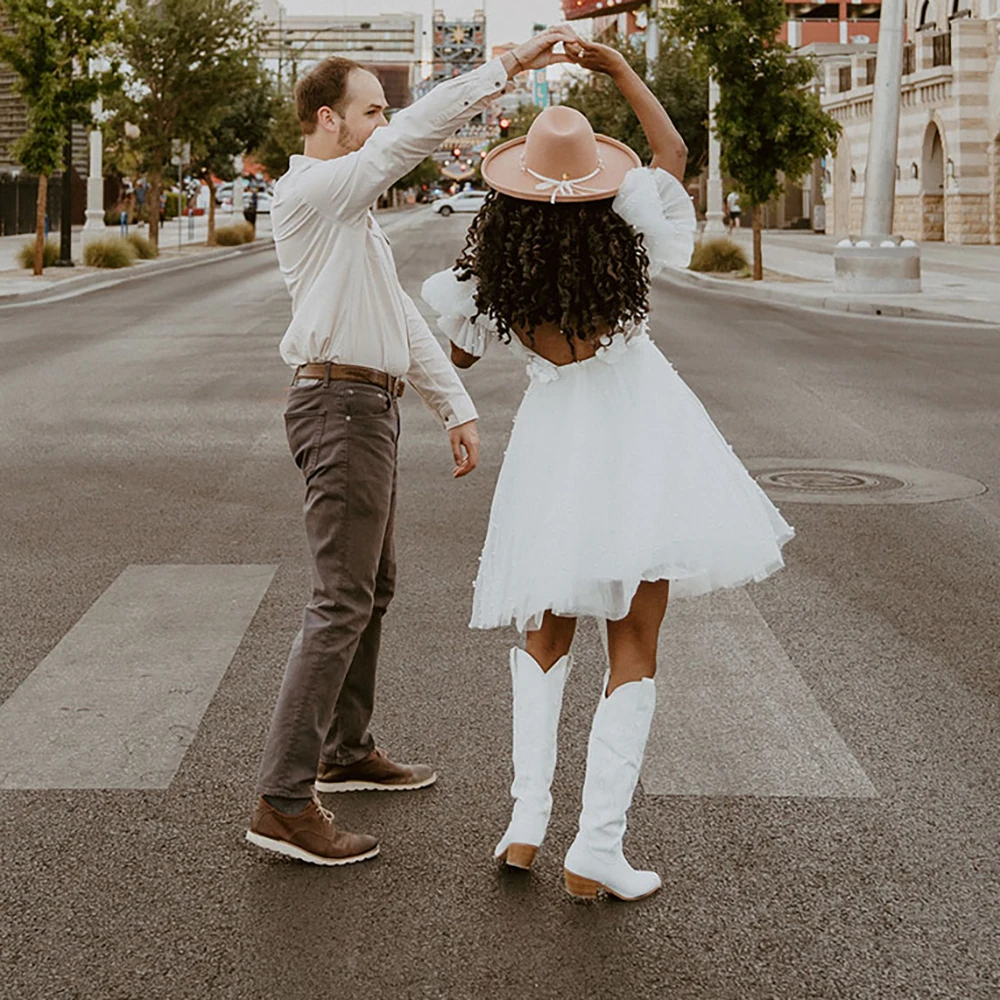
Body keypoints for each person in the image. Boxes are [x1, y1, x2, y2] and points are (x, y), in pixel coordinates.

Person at [422, 40, 794, 901]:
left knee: (544, 635)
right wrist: (620, 71)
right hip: (640, 443)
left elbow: (463, 359)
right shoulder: (627, 232)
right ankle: (597, 848)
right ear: (599, 178)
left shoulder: (494, 273)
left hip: (554, 448)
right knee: (633, 640)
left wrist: (501, 284)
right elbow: (672, 158)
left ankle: (524, 825)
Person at [245, 26, 582, 867]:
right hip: (339, 407)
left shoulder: (349, 220)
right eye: (370, 111)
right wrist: (506, 67)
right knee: (339, 601)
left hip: (367, 405)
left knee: (371, 587)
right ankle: (284, 800)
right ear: (328, 120)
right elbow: (405, 143)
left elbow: (397, 318)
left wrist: (455, 407)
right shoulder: (315, 191)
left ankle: (345, 749)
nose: (381, 122)